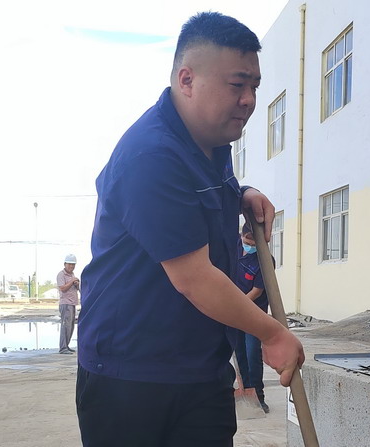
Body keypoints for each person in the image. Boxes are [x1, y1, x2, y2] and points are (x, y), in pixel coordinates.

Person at [76, 12, 304, 447]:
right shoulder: (151, 155)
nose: (249, 100)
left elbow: (204, 199)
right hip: (131, 376)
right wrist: (272, 333)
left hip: (200, 365)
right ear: (187, 79)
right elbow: (194, 279)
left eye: (255, 86)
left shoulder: (213, 143)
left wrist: (243, 193)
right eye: (237, 85)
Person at [233, 223, 273, 413]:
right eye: (247, 242)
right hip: (233, 311)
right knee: (239, 353)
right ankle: (244, 392)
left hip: (253, 313)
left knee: (252, 354)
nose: (249, 247)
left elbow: (257, 291)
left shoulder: (265, 260)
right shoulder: (234, 246)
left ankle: (259, 396)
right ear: (241, 236)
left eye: (253, 244)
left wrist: (237, 306)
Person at [57, 254, 80, 354]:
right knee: (65, 326)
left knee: (70, 326)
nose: (71, 266)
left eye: (73, 265)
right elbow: (62, 288)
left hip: (72, 303)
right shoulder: (61, 275)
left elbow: (77, 289)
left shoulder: (72, 276)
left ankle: (67, 345)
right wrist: (72, 281)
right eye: (69, 264)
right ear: (65, 264)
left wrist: (77, 284)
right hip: (65, 304)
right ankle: (63, 348)